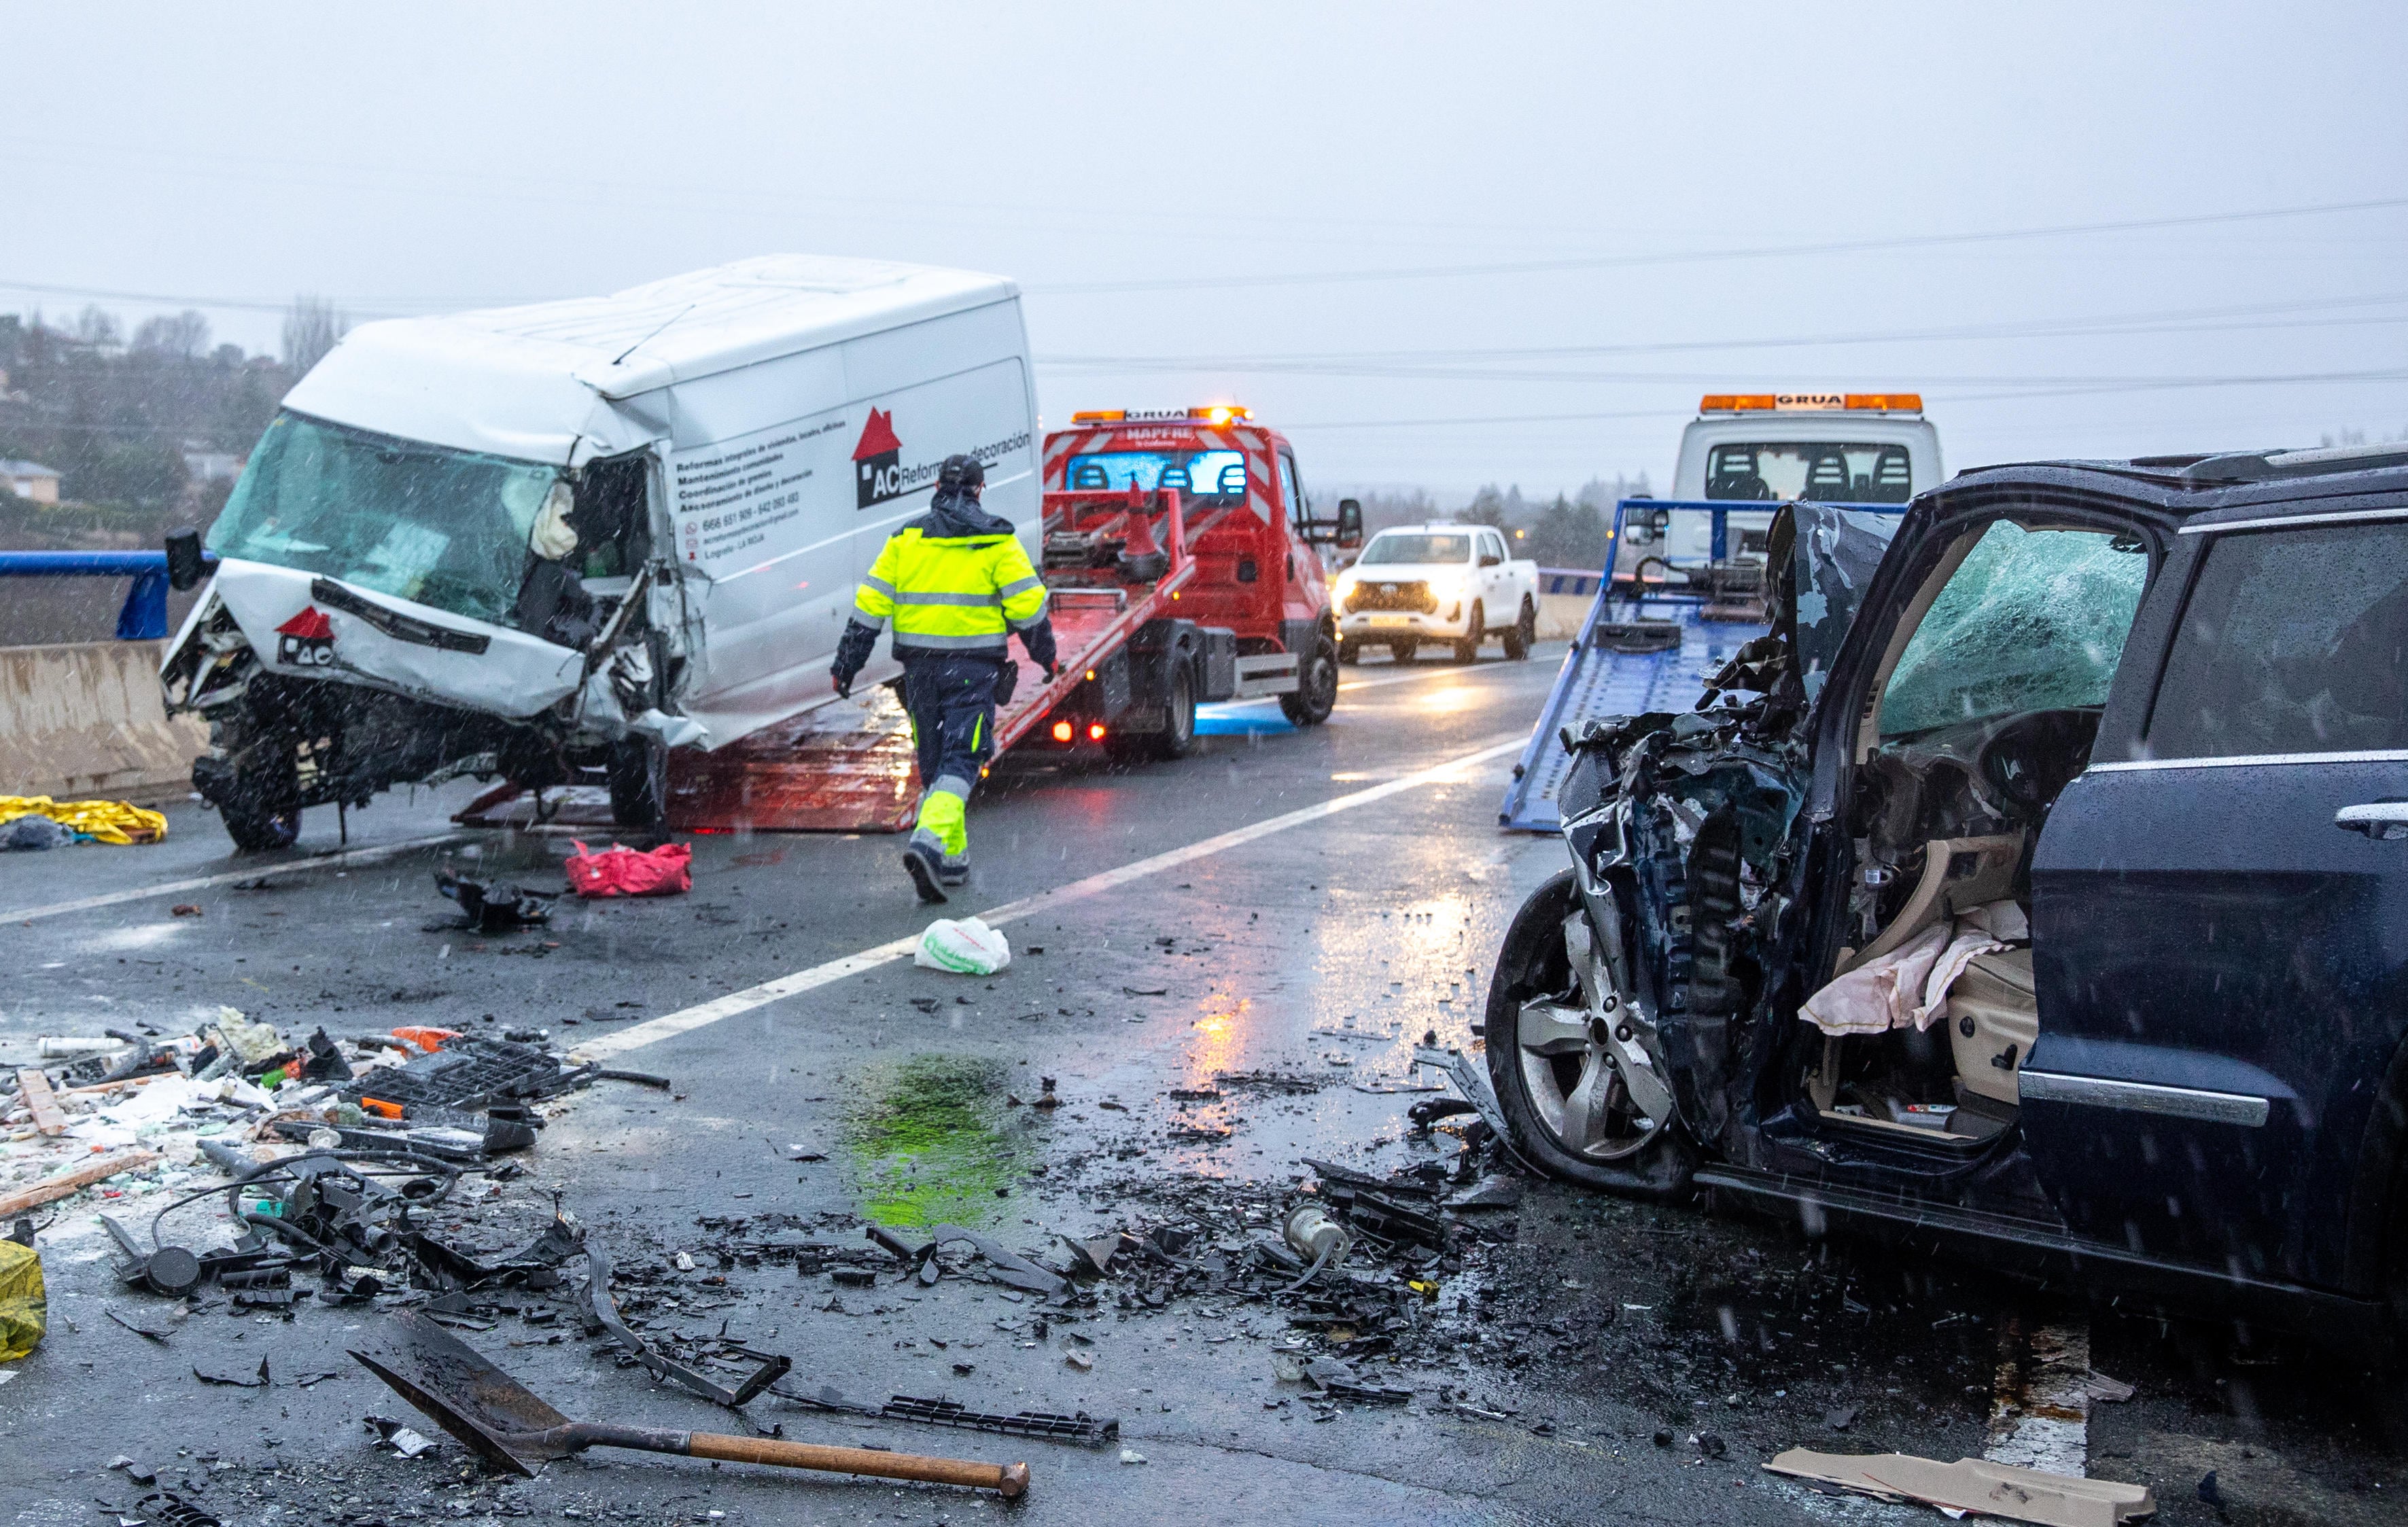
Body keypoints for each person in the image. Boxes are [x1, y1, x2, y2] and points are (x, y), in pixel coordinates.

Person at [831, 454, 1057, 902]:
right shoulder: (996, 540)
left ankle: (951, 862)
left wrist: (846, 665)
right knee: (963, 758)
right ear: (980, 488)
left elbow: (868, 608)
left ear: (935, 486)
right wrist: (1046, 657)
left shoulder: (905, 540)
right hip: (972, 671)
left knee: (935, 765)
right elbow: (1029, 611)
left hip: (919, 672)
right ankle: (930, 839)